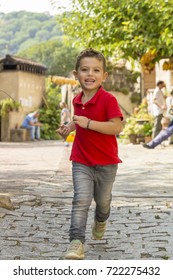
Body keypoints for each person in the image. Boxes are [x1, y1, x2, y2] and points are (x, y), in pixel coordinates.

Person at [56, 48, 123, 260]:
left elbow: (116, 128)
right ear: (76, 75)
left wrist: (90, 124)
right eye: (84, 70)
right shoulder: (77, 100)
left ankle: (101, 219)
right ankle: (76, 242)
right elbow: (79, 121)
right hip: (81, 160)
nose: (90, 74)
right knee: (81, 200)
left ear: (104, 76)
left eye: (96, 70)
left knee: (102, 203)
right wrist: (69, 127)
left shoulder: (108, 100)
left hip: (106, 162)